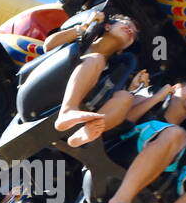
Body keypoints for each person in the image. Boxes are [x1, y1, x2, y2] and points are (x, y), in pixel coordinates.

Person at [97, 77, 186, 203]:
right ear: (175, 87)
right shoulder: (152, 101)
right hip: (118, 155)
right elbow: (123, 119)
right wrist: (157, 97)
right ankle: (119, 202)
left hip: (148, 190)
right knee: (176, 134)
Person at [44, 12, 141, 147]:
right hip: (48, 89)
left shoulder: (111, 72)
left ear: (123, 49)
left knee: (126, 97)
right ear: (107, 26)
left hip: (82, 110)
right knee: (96, 59)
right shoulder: (82, 43)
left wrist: (133, 88)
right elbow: (48, 46)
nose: (131, 31)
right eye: (127, 25)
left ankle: (84, 134)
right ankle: (67, 110)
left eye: (134, 35)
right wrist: (84, 27)